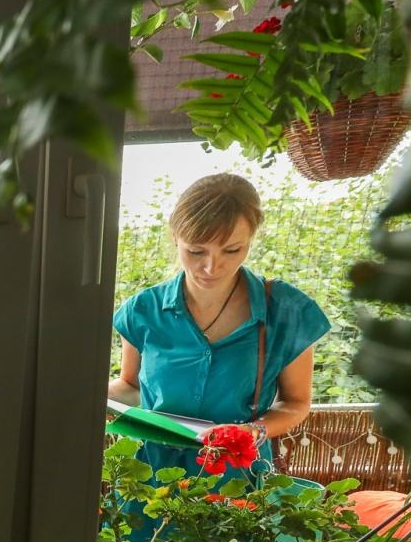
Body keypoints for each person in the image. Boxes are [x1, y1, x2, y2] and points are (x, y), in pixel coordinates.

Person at [109, 173, 330, 482]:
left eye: (232, 250)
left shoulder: (287, 311)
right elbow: (131, 388)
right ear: (175, 237)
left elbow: (296, 402)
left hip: (235, 479)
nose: (213, 267)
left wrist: (253, 431)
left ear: (251, 239)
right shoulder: (143, 310)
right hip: (150, 477)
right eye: (196, 251)